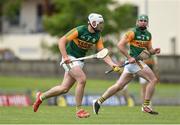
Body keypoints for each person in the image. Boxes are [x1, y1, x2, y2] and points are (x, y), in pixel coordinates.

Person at [33, 13, 120, 118]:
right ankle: (79, 110)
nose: (102, 25)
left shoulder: (97, 36)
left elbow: (102, 52)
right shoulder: (79, 30)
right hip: (69, 58)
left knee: (64, 89)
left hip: (79, 61)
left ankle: (41, 96)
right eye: (100, 23)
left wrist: (112, 64)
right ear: (93, 23)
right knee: (82, 79)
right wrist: (65, 57)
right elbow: (61, 41)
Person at [93, 14, 160, 115]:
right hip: (134, 62)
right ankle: (146, 106)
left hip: (134, 63)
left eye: (145, 20)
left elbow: (149, 50)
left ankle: (98, 102)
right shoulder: (132, 32)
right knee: (153, 79)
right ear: (137, 22)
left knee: (119, 86)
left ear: (147, 22)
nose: (143, 22)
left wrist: (154, 51)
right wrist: (129, 57)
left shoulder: (148, 35)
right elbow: (120, 45)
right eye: (141, 20)